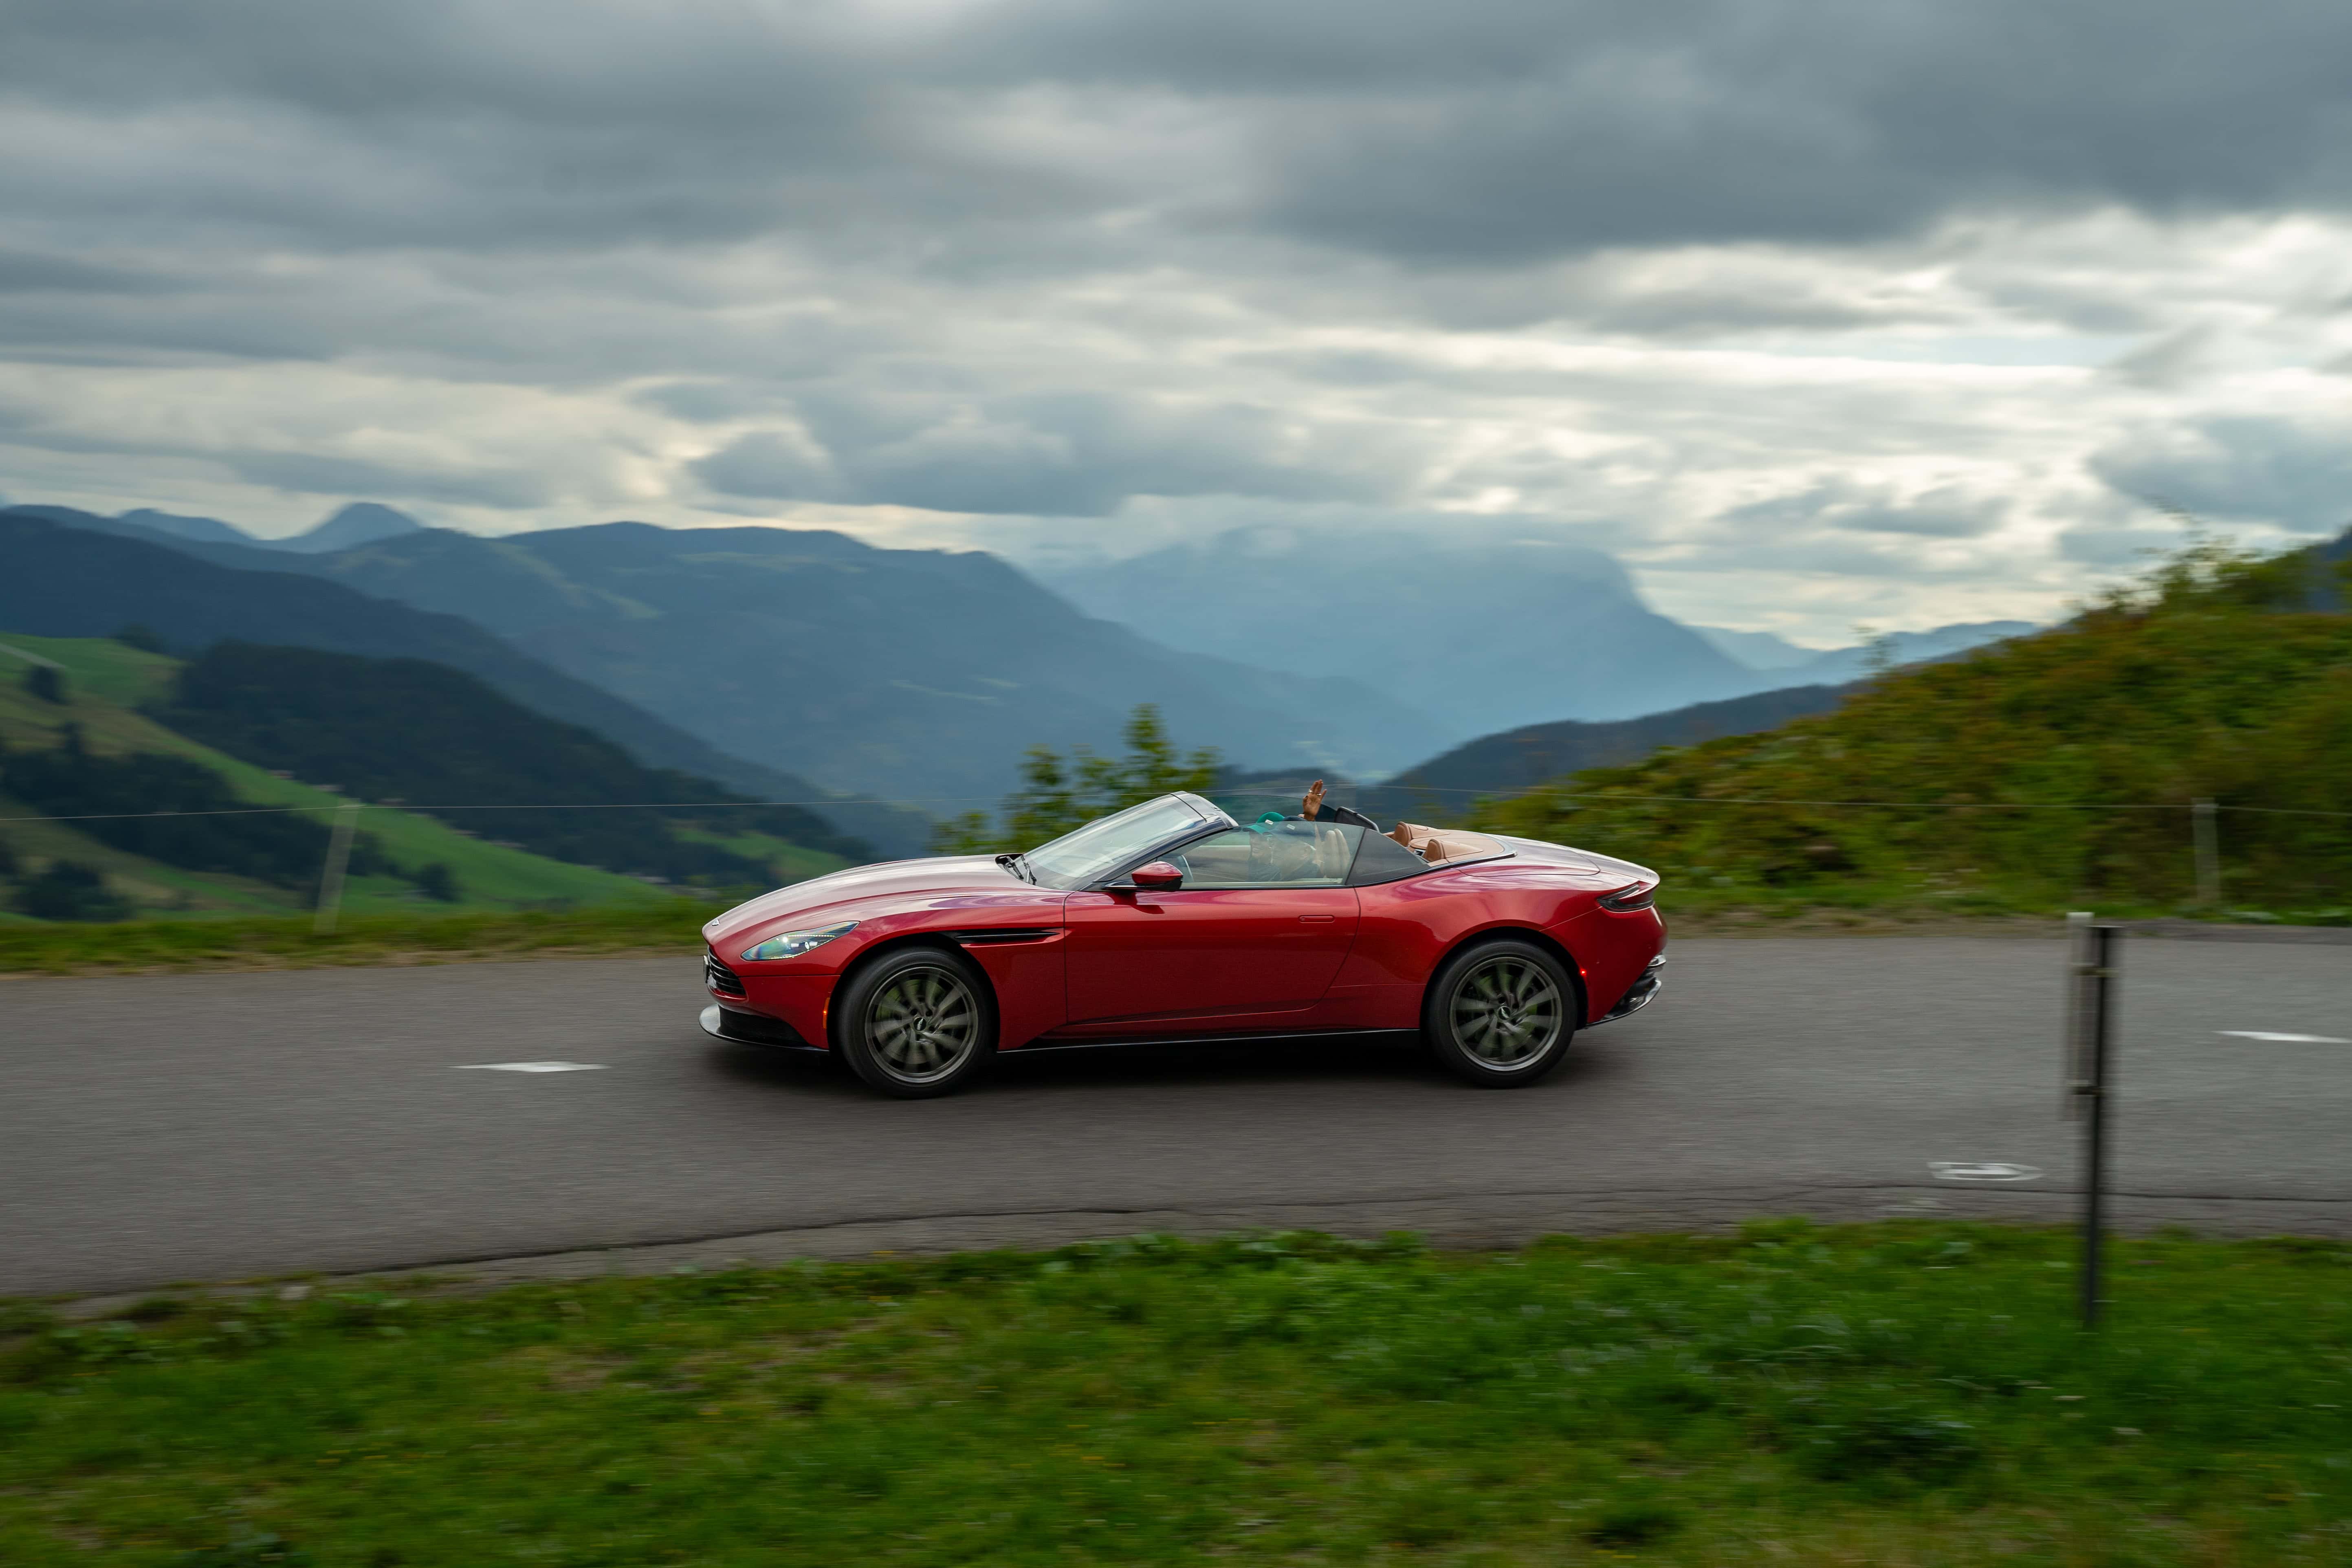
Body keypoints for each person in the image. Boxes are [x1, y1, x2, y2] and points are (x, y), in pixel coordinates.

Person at [1298, 779, 1451, 862]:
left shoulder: (1301, 867)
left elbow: (1312, 855)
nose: (1273, 849)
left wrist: (1310, 818)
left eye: (1277, 844)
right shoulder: (1284, 867)